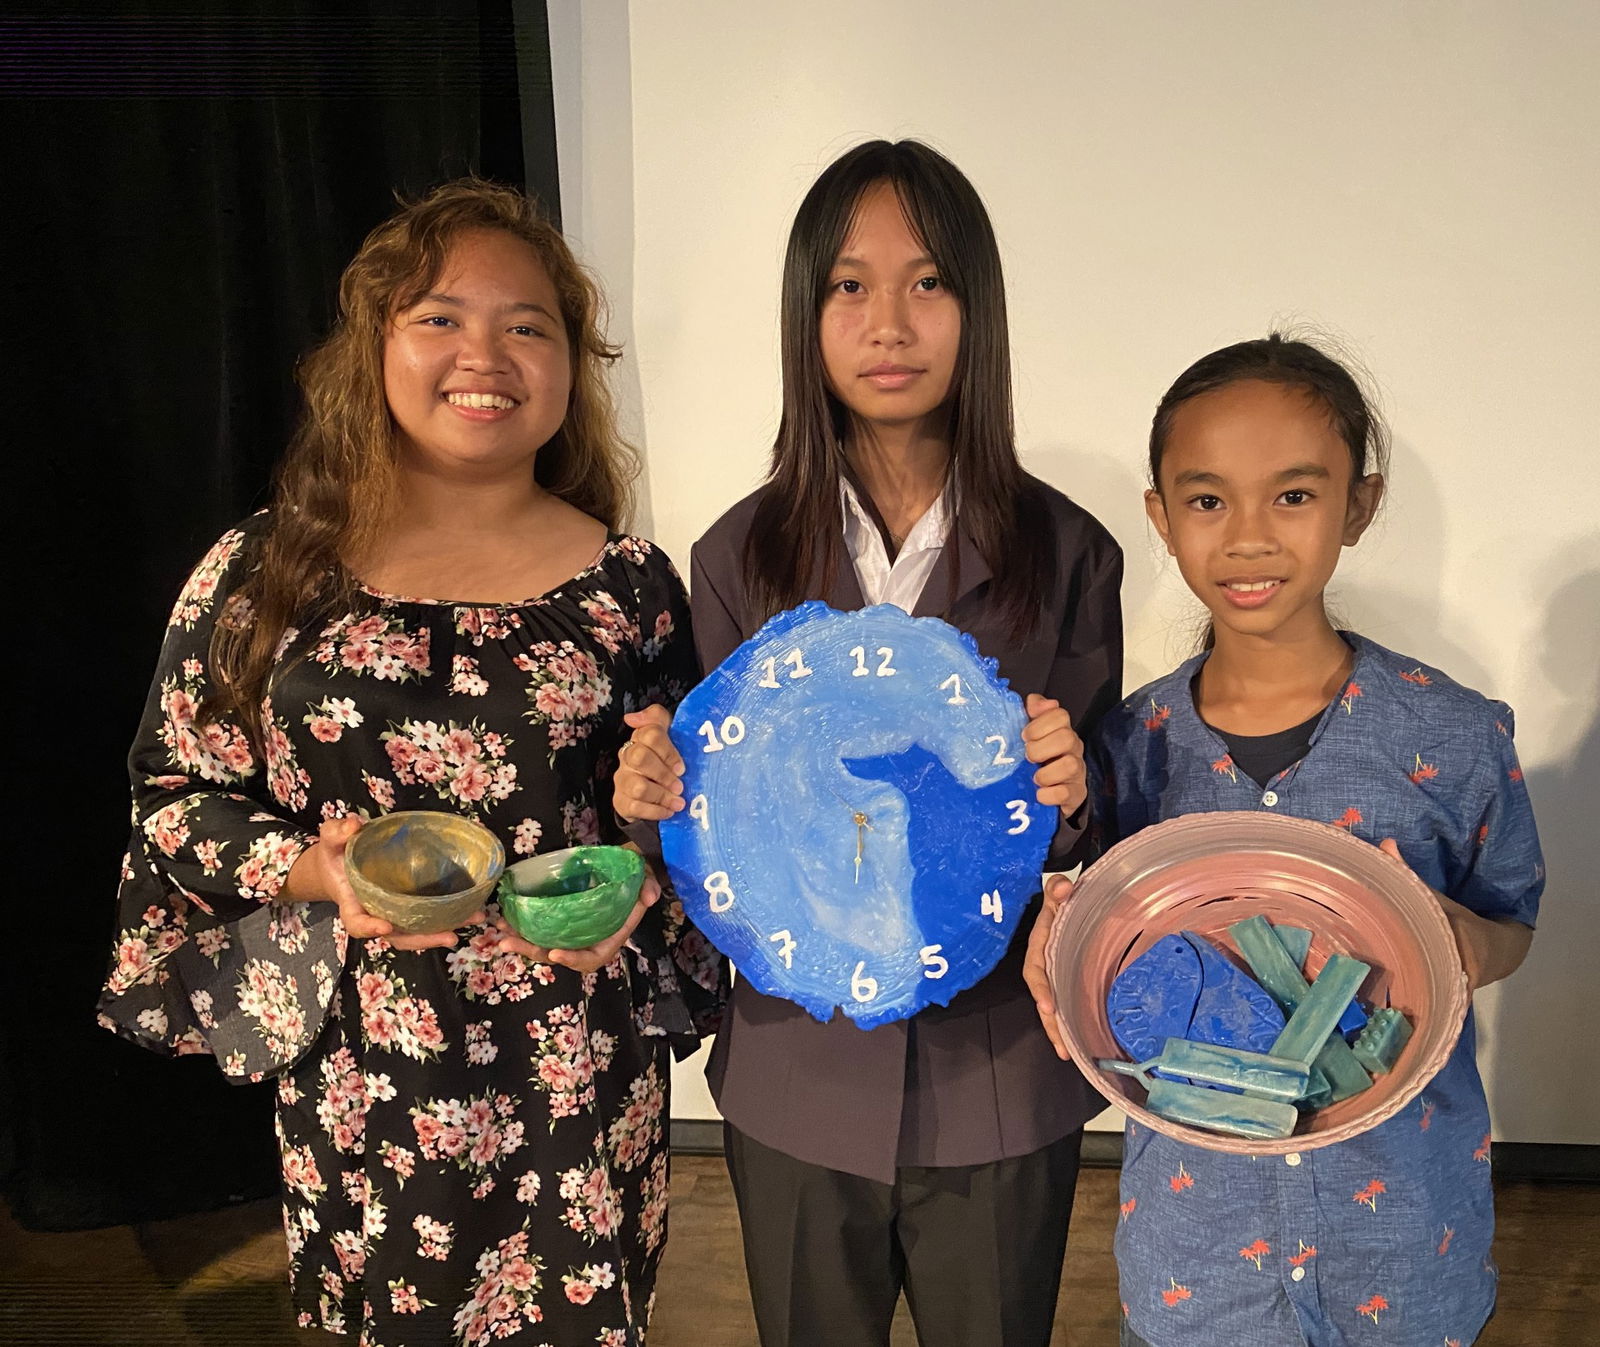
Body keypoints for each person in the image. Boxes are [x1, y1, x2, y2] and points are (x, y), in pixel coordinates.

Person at [98, 179, 724, 1345]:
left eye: (526, 324)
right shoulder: (267, 568)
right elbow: (174, 797)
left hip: (571, 1060)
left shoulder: (628, 583)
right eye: (438, 317)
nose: (483, 353)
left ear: (569, 365)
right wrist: (320, 872)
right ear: (371, 349)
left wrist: (644, 863)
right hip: (363, 1063)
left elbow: (681, 811)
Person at [614, 140, 1124, 1347]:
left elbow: (1100, 811)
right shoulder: (737, 554)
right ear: (806, 313)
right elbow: (720, 807)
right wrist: (652, 795)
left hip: (997, 1069)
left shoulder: (1069, 552)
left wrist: (1076, 790)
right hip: (798, 1071)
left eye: (928, 281)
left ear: (978, 308)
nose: (889, 321)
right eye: (849, 285)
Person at [1023, 335, 1543, 1347]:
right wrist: (1064, 930)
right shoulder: (1130, 747)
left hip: (1401, 1244)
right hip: (1198, 1252)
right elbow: (1105, 944)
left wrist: (1467, 947)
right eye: (1208, 499)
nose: (1249, 537)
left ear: (1359, 503)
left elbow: (1512, 919)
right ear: (1160, 517)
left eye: (1294, 496)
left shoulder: (1452, 733)